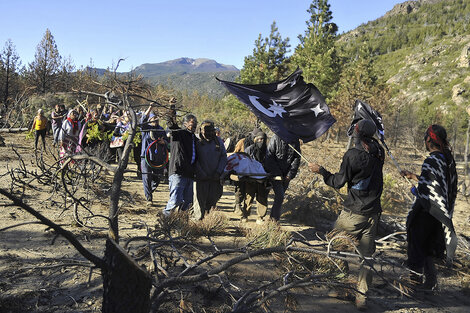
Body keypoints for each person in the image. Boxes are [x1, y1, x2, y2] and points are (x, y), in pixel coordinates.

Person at [308, 119, 385, 310]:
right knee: (366, 257)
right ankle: (362, 298)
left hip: (353, 213)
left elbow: (337, 182)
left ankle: (339, 286)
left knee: (334, 246)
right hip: (373, 213)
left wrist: (322, 171)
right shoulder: (379, 151)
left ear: (356, 134)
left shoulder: (353, 155)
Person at [400, 124, 458, 292]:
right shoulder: (447, 159)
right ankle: (431, 285)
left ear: (429, 140)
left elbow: (428, 190)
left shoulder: (431, 160)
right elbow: (438, 184)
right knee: (427, 249)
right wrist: (414, 177)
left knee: (416, 248)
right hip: (440, 213)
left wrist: (416, 191)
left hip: (426, 212)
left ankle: (415, 287)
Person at [163, 114, 198, 216]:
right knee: (176, 200)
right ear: (185, 124)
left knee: (187, 203)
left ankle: (181, 224)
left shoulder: (194, 139)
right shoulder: (179, 133)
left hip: (190, 174)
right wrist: (171, 108)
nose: (194, 126)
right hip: (178, 172)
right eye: (192, 123)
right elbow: (171, 124)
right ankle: (164, 219)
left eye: (196, 124)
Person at [192, 120, 227, 220]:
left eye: (210, 131)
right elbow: (194, 158)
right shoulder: (197, 141)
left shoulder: (218, 141)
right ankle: (198, 221)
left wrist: (218, 172)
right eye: (205, 131)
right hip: (201, 178)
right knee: (199, 201)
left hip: (215, 177)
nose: (208, 133)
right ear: (201, 131)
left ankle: (208, 220)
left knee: (213, 199)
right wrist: (201, 172)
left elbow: (223, 157)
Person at [264, 133, 301, 221]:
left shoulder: (295, 140)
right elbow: (269, 157)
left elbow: (296, 158)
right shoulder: (275, 138)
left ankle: (272, 219)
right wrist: (278, 173)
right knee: (280, 196)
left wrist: (289, 175)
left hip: (287, 174)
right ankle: (274, 220)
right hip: (275, 174)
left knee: (280, 197)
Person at [140, 106, 167, 207]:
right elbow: (143, 119)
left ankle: (149, 191)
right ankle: (149, 198)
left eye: (156, 119)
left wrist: (163, 142)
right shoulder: (145, 128)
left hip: (158, 158)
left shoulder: (161, 130)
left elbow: (167, 142)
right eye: (153, 119)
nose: (155, 121)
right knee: (146, 177)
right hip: (145, 157)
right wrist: (150, 107)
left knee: (157, 178)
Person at [243, 131, 269, 223]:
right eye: (258, 139)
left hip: (263, 179)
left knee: (262, 198)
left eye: (262, 139)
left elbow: (271, 164)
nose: (260, 141)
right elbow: (244, 162)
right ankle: (245, 215)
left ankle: (260, 217)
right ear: (255, 140)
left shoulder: (268, 151)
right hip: (251, 178)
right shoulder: (250, 149)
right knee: (248, 197)